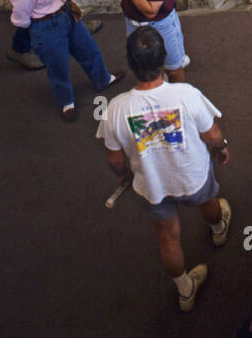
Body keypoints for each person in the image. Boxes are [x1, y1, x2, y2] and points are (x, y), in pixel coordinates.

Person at [97, 25, 231, 312]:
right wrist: (221, 149)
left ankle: (185, 289)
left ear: (131, 63)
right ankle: (218, 228)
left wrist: (122, 174)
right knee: (209, 201)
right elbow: (213, 135)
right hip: (192, 175)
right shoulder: (186, 94)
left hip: (152, 187)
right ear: (163, 59)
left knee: (167, 237)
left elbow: (114, 159)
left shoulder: (116, 109)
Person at [10, 0, 122, 119]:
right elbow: (20, 19)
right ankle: (66, 102)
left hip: (67, 15)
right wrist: (41, 28)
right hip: (45, 28)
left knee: (89, 49)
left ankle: (102, 79)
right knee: (58, 67)